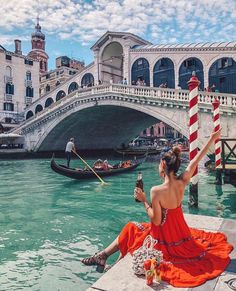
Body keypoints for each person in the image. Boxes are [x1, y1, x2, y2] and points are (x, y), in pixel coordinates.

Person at [81, 128, 233, 287]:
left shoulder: (156, 191)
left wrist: (144, 200)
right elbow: (196, 159)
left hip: (164, 238)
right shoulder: (182, 181)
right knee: (133, 229)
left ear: (162, 165)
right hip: (180, 234)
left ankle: (103, 256)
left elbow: (157, 220)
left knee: (131, 228)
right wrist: (213, 138)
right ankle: (104, 257)